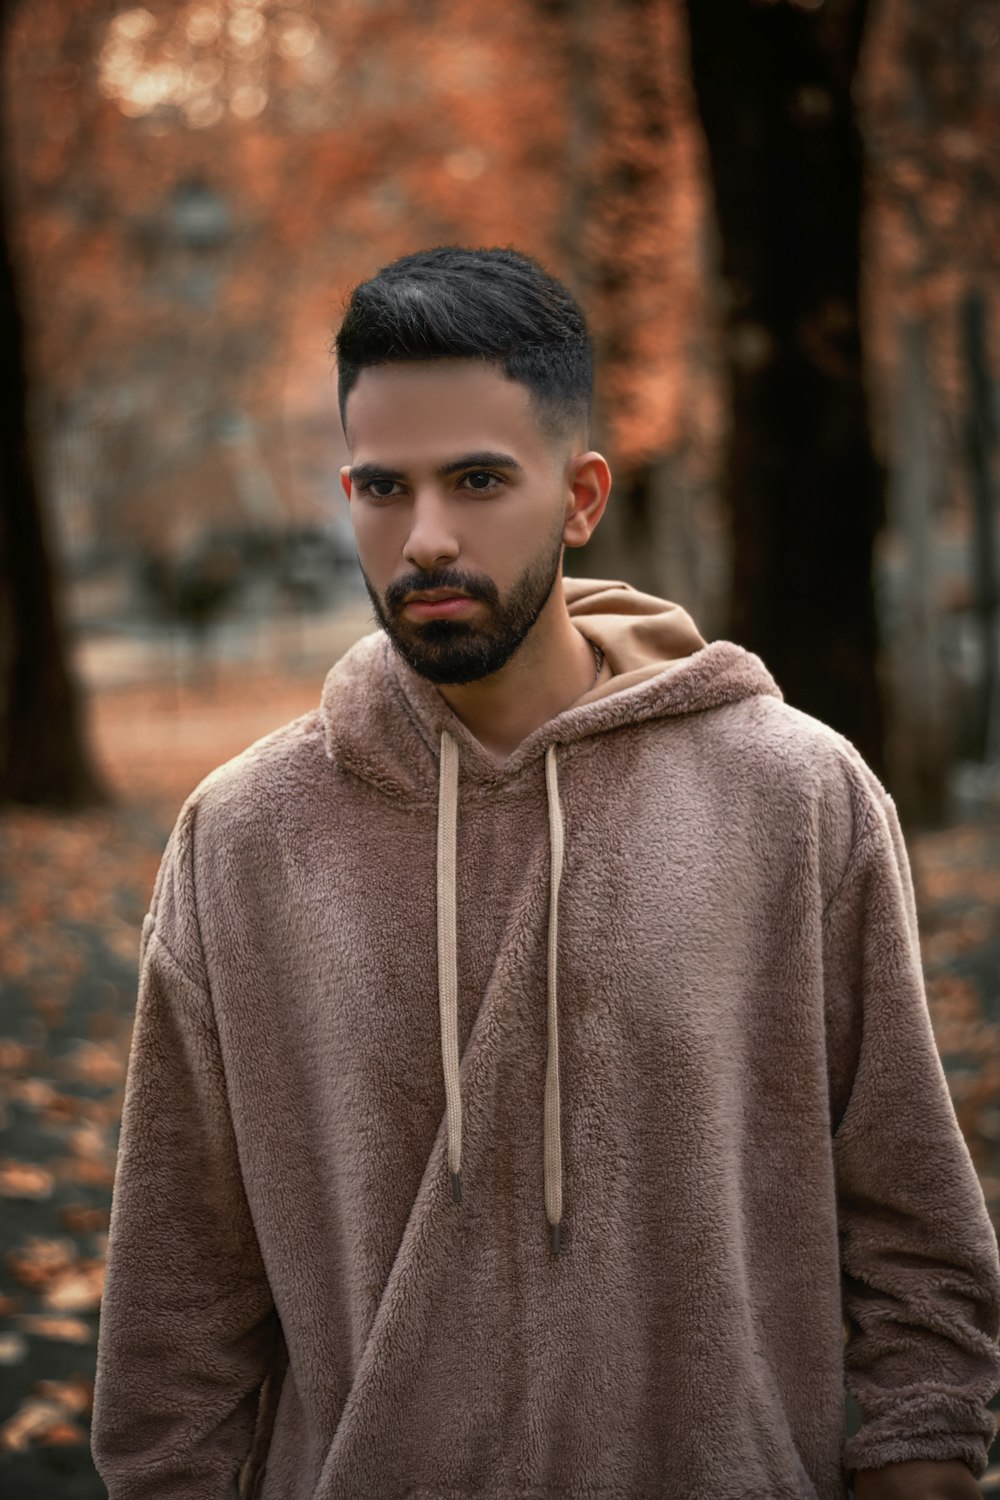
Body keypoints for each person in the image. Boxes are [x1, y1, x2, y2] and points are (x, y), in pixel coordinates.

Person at [92, 245, 1000, 1500]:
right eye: (380, 487)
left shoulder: (794, 795)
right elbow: (176, 1317)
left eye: (477, 481)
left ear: (580, 498)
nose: (424, 539)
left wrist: (925, 1462)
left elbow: (915, 1241)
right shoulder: (244, 839)